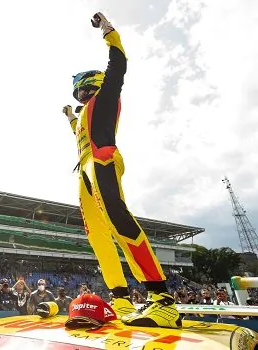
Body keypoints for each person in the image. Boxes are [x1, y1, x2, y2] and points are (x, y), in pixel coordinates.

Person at [61, 12, 180, 328]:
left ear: (95, 85)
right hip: (84, 170)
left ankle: (162, 299)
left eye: (84, 91)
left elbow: (120, 63)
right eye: (78, 95)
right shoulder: (86, 112)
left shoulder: (108, 93)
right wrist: (70, 118)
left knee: (119, 222)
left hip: (102, 160)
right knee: (98, 237)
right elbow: (80, 133)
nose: (82, 97)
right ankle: (122, 300)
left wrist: (107, 29)